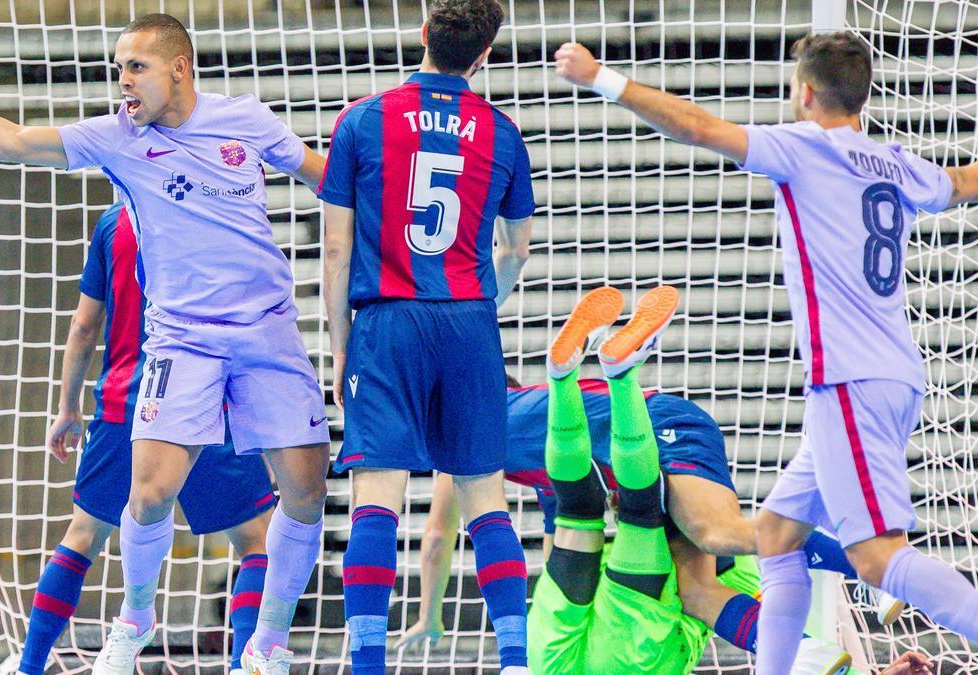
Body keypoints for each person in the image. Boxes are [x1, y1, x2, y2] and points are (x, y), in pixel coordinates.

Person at [0, 14, 331, 675]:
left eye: (135, 67)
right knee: (148, 494)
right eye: (117, 68)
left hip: (268, 332)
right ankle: (134, 618)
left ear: (179, 66)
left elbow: (328, 178)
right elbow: (11, 141)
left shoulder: (246, 119)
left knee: (305, 492)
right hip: (184, 340)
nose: (122, 80)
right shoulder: (119, 139)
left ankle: (266, 642)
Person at [554, 30, 978, 674]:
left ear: (804, 92)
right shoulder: (896, 162)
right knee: (778, 540)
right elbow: (965, 181)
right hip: (882, 376)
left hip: (852, 381)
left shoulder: (804, 148)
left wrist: (600, 79)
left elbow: (696, 127)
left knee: (876, 558)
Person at [401, 288, 893, 673]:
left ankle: (873, 563)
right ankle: (803, 654)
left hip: (661, 428)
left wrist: (430, 616)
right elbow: (567, 534)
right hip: (646, 433)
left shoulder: (466, 440)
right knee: (696, 587)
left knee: (716, 534)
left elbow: (439, 536)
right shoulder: (536, 442)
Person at [318, 0, 535, 672]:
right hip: (468, 322)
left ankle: (367, 662)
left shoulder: (361, 119)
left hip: (388, 319)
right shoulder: (502, 132)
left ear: (422, 37)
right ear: (484, 55)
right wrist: (473, 303)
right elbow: (517, 251)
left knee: (377, 496)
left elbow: (333, 248)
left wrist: (339, 345)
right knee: (485, 498)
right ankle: (518, 660)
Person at [13, 202, 276, 675]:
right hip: (206, 399)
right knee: (256, 540)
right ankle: (243, 665)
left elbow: (83, 326)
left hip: (128, 403)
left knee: (83, 536)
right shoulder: (218, 209)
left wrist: (67, 409)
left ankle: (29, 666)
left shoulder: (115, 223)